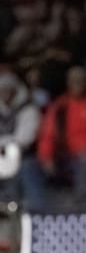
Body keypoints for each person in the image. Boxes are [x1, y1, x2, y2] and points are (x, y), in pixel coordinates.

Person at [37, 67, 86, 201]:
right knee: (31, 167)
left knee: (85, 161)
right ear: (68, 83)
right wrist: (46, 158)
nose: (77, 84)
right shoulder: (59, 107)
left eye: (81, 80)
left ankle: (82, 204)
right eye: (74, 81)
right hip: (65, 157)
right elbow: (47, 135)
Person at [0, 69, 41, 203]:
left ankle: (35, 212)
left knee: (28, 169)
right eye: (2, 90)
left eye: (8, 90)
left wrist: (5, 143)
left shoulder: (27, 108)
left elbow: (25, 138)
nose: (5, 94)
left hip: (24, 157)